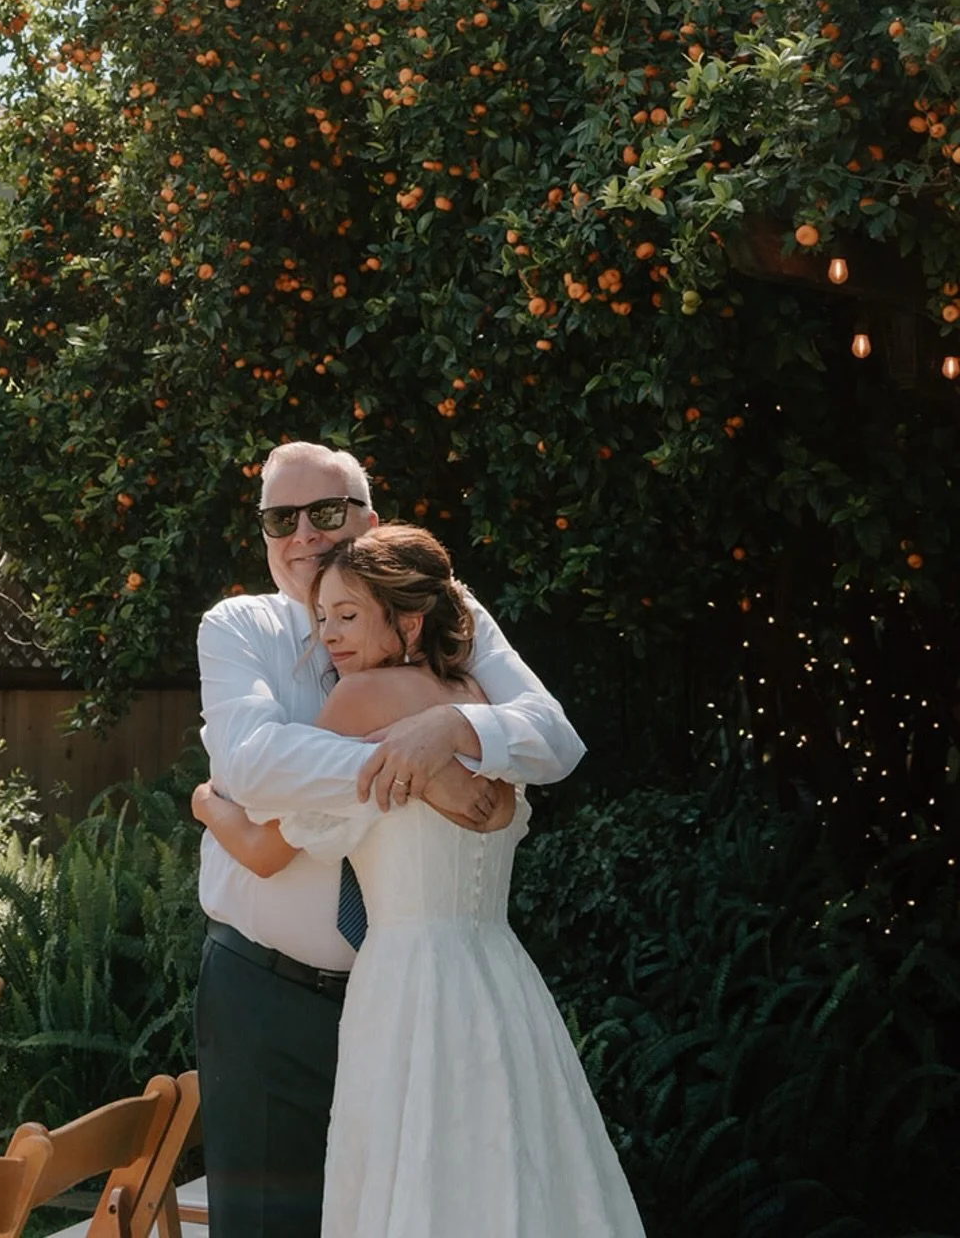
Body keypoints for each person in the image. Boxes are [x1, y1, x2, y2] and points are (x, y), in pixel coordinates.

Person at [196, 523, 645, 1238]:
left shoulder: (358, 702)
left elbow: (263, 847)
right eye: (322, 620)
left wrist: (204, 803)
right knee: (507, 1173)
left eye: (347, 616)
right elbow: (515, 782)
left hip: (407, 984)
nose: (331, 639)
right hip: (501, 977)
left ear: (407, 621)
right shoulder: (474, 697)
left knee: (416, 1180)